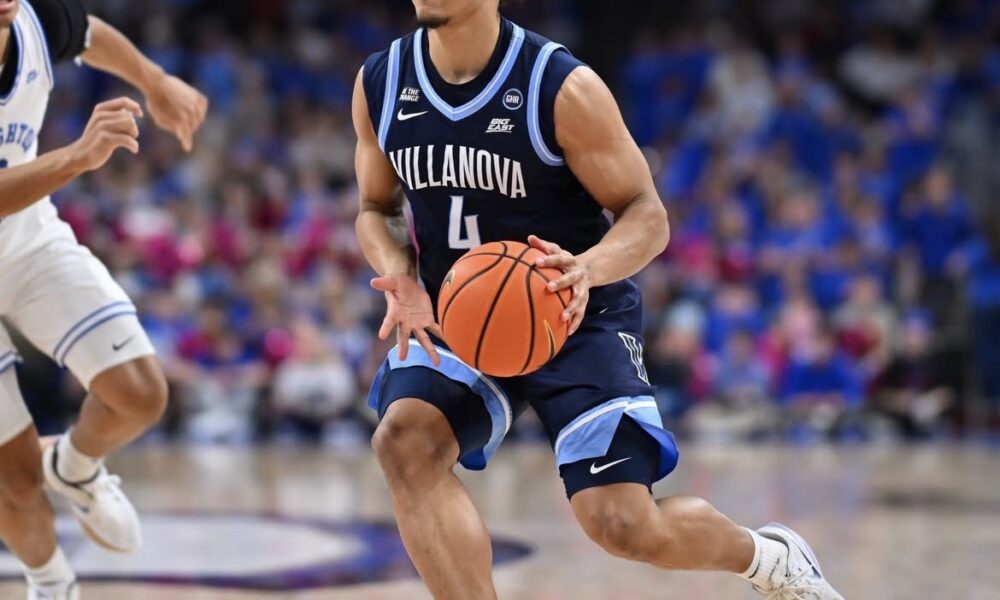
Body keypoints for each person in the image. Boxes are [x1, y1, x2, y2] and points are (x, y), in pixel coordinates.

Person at [352, 0, 844, 598]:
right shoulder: (382, 80)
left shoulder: (560, 86)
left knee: (623, 524)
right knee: (404, 443)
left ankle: (768, 557)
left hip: (573, 308)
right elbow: (375, 211)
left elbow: (647, 215)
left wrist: (585, 270)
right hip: (458, 309)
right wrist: (400, 273)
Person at [0, 1, 207, 597]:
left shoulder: (37, 20)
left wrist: (154, 79)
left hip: (26, 241)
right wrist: (78, 156)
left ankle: (75, 465)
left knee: (141, 394)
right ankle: (52, 583)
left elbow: (89, 35)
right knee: (13, 481)